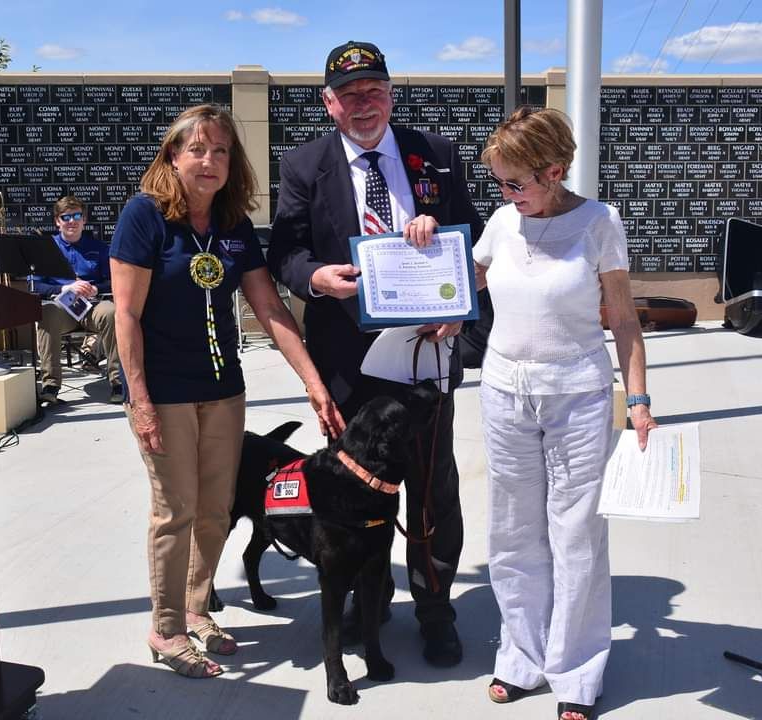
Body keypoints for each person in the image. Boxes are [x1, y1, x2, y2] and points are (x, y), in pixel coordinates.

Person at [267, 40, 484, 668]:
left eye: (375, 90)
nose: (365, 104)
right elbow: (286, 251)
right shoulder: (305, 165)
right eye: (350, 94)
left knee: (431, 487)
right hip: (346, 361)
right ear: (329, 103)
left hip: (424, 353)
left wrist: (457, 293)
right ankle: (372, 603)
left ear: (391, 93)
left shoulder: (434, 154)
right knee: (355, 488)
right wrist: (315, 280)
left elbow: (473, 246)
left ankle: (436, 608)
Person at [110, 104, 344, 679]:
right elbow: (126, 316)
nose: (210, 161)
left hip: (223, 390)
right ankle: (165, 629)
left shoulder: (234, 225)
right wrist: (137, 398)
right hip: (162, 391)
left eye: (221, 151)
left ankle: (196, 610)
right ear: (173, 155)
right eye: (197, 149)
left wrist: (312, 382)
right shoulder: (144, 218)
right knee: (175, 510)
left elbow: (268, 308)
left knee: (215, 509)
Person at [473, 107, 658, 720]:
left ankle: (576, 672)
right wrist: (418, 255)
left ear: (554, 171)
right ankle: (521, 656)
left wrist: (638, 402)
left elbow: (624, 318)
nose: (505, 194)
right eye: (497, 182)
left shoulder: (600, 223)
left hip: (577, 394)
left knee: (576, 535)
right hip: (503, 391)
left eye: (515, 182)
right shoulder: (502, 222)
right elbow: (455, 282)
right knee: (512, 530)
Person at [30, 196, 123, 404]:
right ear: (57, 221)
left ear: (84, 220)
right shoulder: (45, 248)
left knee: (112, 313)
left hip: (93, 305)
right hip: (62, 307)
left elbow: (115, 281)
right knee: (46, 313)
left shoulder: (99, 248)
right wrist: (65, 287)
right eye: (66, 217)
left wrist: (95, 287)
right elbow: (34, 285)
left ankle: (118, 382)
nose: (71, 221)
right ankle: (50, 385)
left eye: (76, 216)